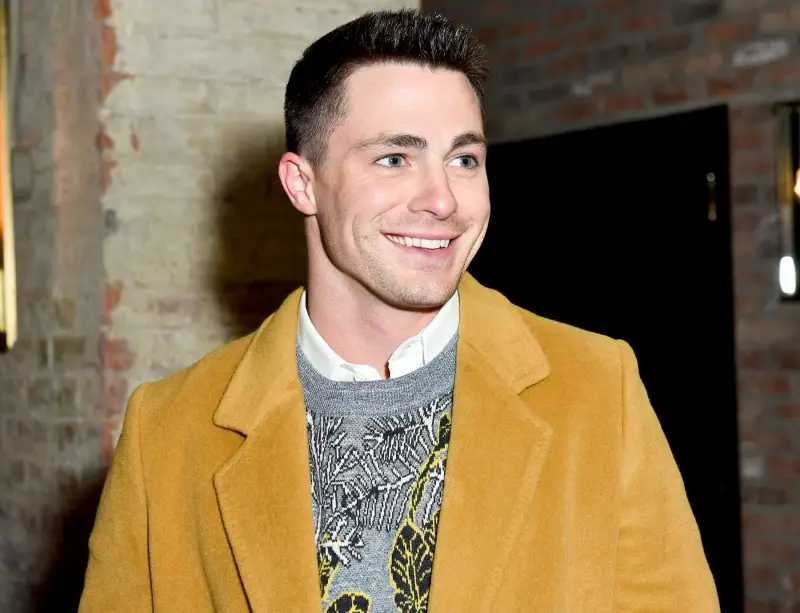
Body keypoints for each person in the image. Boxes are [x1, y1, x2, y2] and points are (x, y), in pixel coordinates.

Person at [79, 9, 720, 613]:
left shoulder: (596, 387)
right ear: (302, 183)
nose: (443, 199)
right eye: (395, 158)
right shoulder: (167, 433)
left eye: (464, 159)